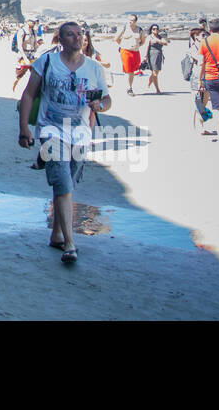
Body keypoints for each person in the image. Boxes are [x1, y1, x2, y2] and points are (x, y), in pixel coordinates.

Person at [18, 21, 111, 266]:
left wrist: (100, 105)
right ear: (60, 39)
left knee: (66, 184)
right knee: (62, 181)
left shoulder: (93, 68)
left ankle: (56, 233)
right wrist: (24, 128)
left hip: (80, 133)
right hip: (50, 129)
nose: (77, 38)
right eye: (70, 34)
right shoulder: (46, 63)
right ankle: (70, 244)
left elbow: (106, 99)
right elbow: (28, 94)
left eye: (80, 34)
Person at [115, 14, 145, 95]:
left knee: (133, 70)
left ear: (135, 21)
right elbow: (116, 39)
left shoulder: (140, 30)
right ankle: (129, 88)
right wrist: (123, 46)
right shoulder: (124, 28)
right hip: (125, 51)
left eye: (132, 20)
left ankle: (129, 86)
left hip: (135, 51)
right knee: (129, 70)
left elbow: (142, 41)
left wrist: (137, 46)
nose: (130, 21)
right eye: (129, 20)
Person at [142, 24, 167, 94]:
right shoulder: (149, 37)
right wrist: (145, 57)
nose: (155, 30)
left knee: (156, 72)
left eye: (157, 29)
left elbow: (166, 43)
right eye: (153, 29)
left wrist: (158, 41)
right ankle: (157, 89)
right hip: (152, 55)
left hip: (159, 55)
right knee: (155, 72)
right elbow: (146, 47)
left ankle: (149, 83)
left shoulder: (160, 37)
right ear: (151, 30)